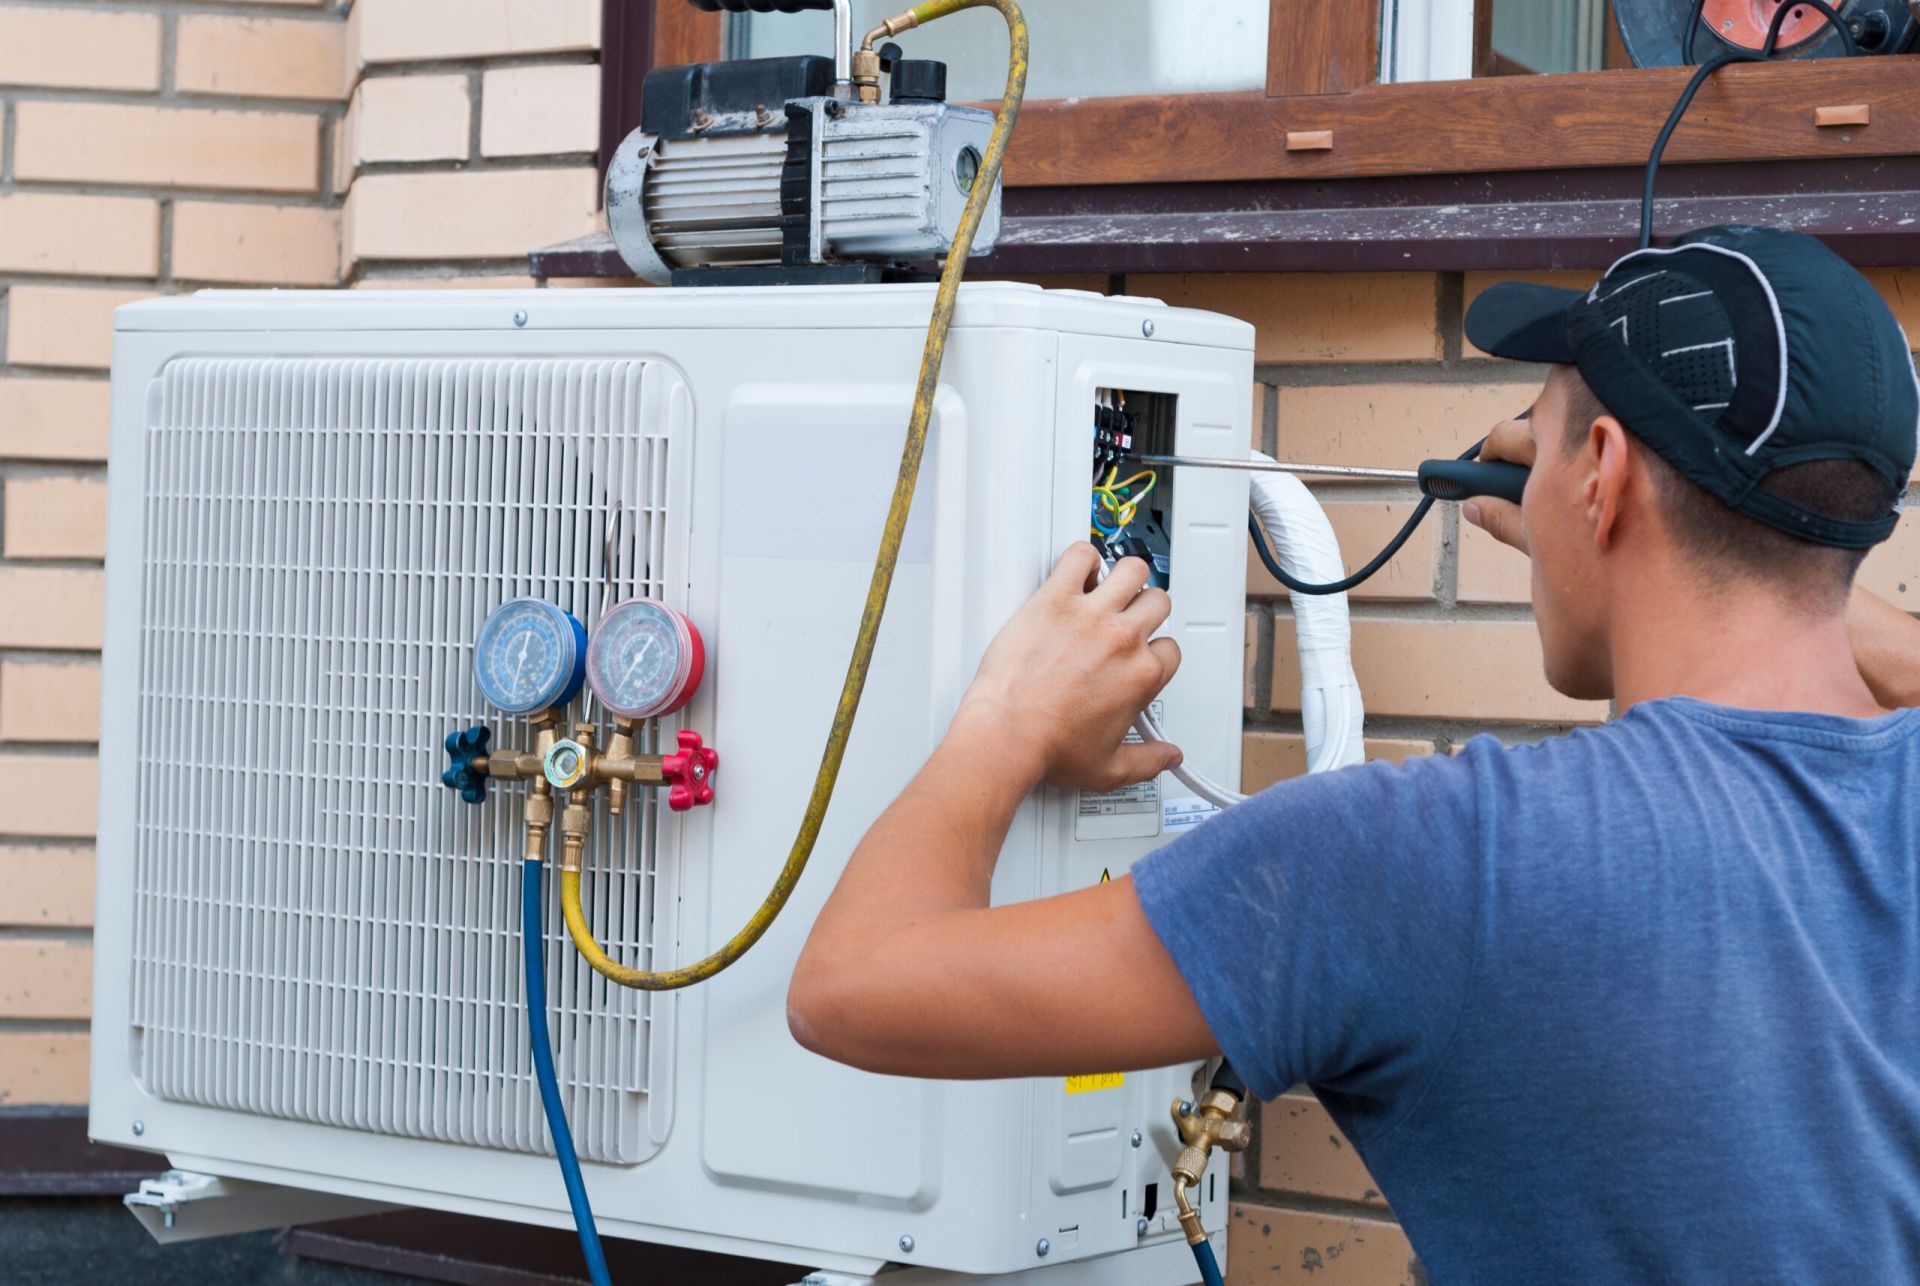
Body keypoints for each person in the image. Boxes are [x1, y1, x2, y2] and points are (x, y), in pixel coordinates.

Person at [786, 226, 1920, 1281]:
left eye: (1549, 431)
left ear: (1604, 471)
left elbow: (851, 986)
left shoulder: (1432, 858)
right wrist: (1714, 546)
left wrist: (1009, 715)